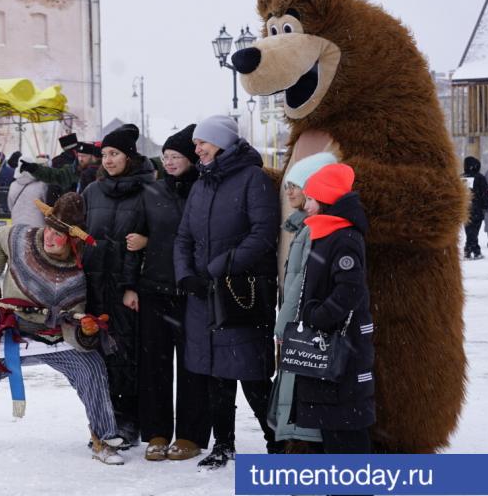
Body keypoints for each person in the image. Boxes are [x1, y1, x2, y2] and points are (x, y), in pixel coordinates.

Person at [0, 193, 125, 464]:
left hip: (58, 337)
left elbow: (76, 317)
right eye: (49, 229)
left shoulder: (79, 271)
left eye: (59, 235)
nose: (50, 237)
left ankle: (103, 439)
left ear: (73, 240)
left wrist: (86, 331)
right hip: (13, 330)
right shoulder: (21, 238)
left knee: (93, 372)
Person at [173, 115, 280, 469]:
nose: (197, 148)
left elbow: (263, 234)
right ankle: (223, 444)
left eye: (203, 142)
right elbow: (184, 236)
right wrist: (186, 275)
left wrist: (217, 269)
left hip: (240, 293)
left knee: (252, 374)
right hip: (204, 295)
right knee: (215, 374)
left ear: (223, 143)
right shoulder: (201, 183)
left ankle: (276, 445)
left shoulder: (253, 179)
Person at [296, 163, 376, 496]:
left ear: (326, 199)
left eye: (311, 196)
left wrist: (319, 316)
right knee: (332, 419)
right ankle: (338, 487)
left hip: (343, 344)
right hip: (328, 341)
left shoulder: (343, 237)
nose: (306, 203)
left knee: (347, 419)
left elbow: (349, 289)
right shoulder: (325, 233)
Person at [130, 124, 211, 461]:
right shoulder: (151, 193)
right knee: (154, 366)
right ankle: (157, 432)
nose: (170, 162)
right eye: (166, 156)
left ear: (191, 159)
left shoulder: (205, 190)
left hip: (192, 291)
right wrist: (129, 285)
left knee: (193, 366)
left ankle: (191, 435)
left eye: (176, 156)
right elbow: (132, 241)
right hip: (154, 289)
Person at [81, 123, 151, 446]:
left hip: (126, 289)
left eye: (115, 154)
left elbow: (151, 241)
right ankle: (103, 419)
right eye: (105, 154)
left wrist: (132, 285)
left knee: (126, 353)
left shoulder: (147, 192)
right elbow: (78, 236)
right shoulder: (92, 192)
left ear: (129, 156)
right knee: (96, 357)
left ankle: (128, 421)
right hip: (94, 286)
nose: (107, 160)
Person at [270, 152, 337, 450]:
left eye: (296, 185)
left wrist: (284, 325)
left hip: (305, 326)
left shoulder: (312, 230)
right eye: (288, 186)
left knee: (301, 390)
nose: (290, 191)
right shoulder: (301, 225)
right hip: (303, 322)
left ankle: (305, 460)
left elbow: (301, 283)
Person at [462, 156, 488, 260]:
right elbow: (485, 193)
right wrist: (486, 205)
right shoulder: (480, 177)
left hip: (464, 208)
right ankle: (470, 250)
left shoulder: (462, 177)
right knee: (474, 231)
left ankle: (473, 251)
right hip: (477, 208)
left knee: (469, 230)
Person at [7, 155, 47, 228]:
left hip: (17, 225)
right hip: (37, 225)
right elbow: (46, 205)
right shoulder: (41, 185)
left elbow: (10, 206)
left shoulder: (13, 185)